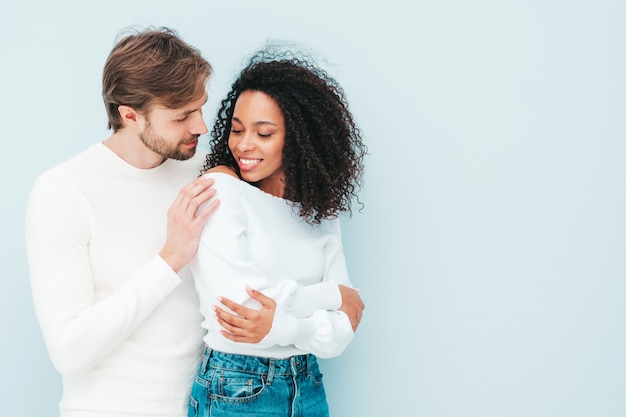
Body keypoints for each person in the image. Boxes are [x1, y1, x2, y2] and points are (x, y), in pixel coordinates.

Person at [24, 27, 220, 417]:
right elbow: (69, 350)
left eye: (200, 108)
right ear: (130, 115)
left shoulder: (206, 169)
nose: (201, 126)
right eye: (183, 116)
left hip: (208, 408)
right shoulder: (63, 192)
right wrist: (169, 260)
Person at [187, 46, 367, 417]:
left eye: (263, 133)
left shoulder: (320, 211)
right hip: (237, 387)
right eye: (236, 130)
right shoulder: (222, 189)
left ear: (299, 138)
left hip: (308, 384)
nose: (243, 145)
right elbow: (239, 309)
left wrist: (289, 329)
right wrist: (333, 294)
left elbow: (342, 329)